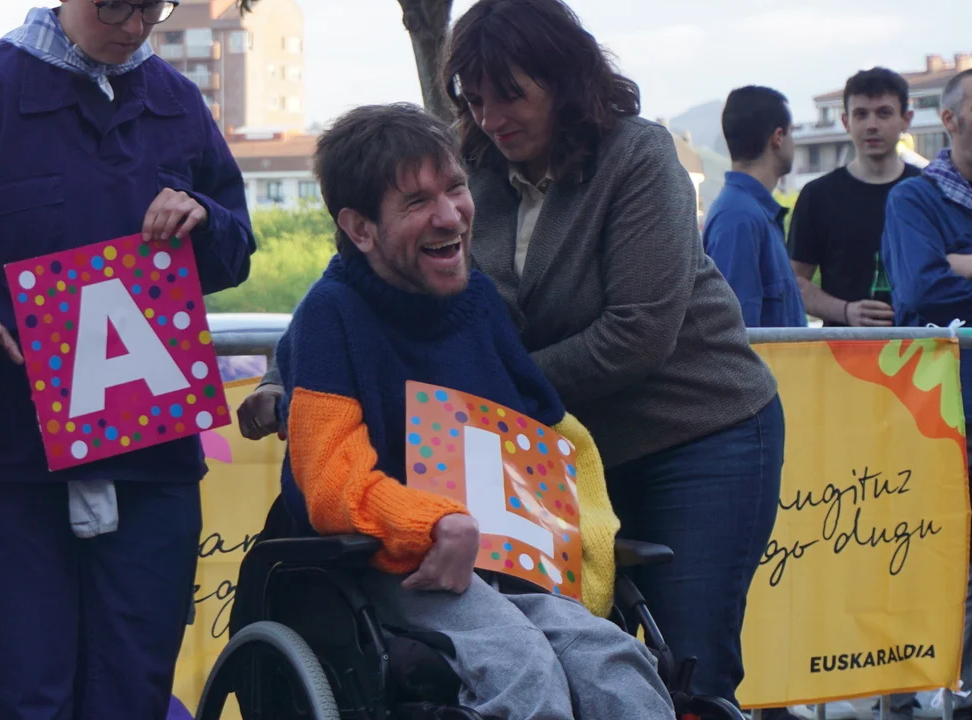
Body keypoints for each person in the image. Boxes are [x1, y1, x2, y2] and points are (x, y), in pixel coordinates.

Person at [243, 0, 784, 709]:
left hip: (693, 426)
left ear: (563, 80)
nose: (490, 116)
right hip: (464, 508)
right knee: (522, 664)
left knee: (661, 664)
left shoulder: (636, 157)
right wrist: (289, 377)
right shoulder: (465, 166)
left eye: (510, 94)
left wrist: (464, 393)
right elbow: (350, 278)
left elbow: (637, 333)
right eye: (474, 98)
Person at [0, 0, 255, 717]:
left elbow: (236, 246)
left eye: (152, 7)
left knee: (134, 688)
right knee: (21, 690)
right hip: (12, 456)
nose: (134, 25)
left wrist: (204, 219)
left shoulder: (178, 101)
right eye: (114, 5)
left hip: (152, 457)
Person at [275, 100, 675, 720]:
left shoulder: (479, 300)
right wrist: (434, 523)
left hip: (500, 560)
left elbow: (544, 432)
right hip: (391, 567)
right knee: (519, 665)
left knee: (613, 661)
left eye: (455, 188)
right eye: (417, 202)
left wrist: (582, 536)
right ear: (360, 229)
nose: (450, 215)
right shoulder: (331, 316)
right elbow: (331, 487)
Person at [881, 66, 972, 720]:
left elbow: (953, 285)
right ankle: (899, 699)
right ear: (949, 121)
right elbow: (923, 293)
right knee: (916, 559)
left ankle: (971, 701)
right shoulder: (914, 200)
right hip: (937, 412)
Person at [789, 67, 920, 329]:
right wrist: (846, 311)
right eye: (861, 114)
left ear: (906, 119)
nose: (872, 125)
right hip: (844, 349)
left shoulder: (927, 192)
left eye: (884, 113)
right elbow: (793, 282)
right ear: (846, 122)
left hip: (922, 347)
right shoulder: (818, 196)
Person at [703, 85, 807, 328]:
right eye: (792, 132)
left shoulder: (753, 213)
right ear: (778, 137)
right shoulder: (739, 218)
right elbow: (736, 333)